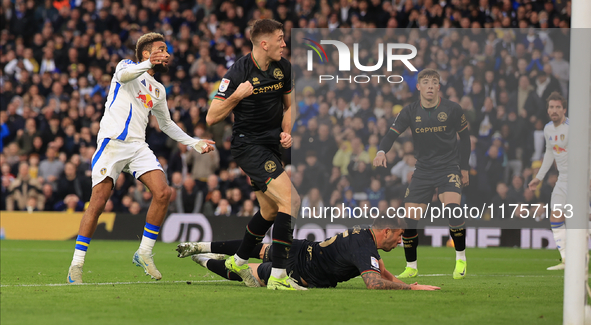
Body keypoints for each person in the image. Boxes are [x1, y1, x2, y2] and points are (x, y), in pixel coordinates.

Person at [67, 33, 215, 284]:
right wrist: (147, 64)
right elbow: (125, 76)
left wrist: (194, 142)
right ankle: (76, 265)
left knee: (164, 192)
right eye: (161, 49)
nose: (166, 54)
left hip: (137, 146)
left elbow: (166, 124)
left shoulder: (158, 89)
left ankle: (144, 252)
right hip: (112, 143)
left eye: (167, 50)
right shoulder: (125, 66)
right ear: (146, 54)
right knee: (99, 202)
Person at [205, 19, 299, 290]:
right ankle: (279, 277)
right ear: (264, 43)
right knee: (292, 201)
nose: (284, 44)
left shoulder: (283, 67)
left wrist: (286, 130)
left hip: (271, 145)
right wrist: (236, 96)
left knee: (270, 210)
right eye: (280, 39)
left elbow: (290, 106)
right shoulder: (237, 73)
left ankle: (237, 259)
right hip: (248, 146)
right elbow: (212, 117)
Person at [373, 69, 470, 280]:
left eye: (434, 82)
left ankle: (461, 259)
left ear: (438, 87)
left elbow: (466, 138)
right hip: (423, 169)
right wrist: (381, 151)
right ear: (418, 87)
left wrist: (464, 168)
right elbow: (391, 134)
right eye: (425, 82)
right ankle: (411, 266)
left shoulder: (452, 109)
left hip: (448, 167)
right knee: (409, 220)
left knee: (453, 210)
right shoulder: (409, 111)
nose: (430, 86)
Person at [176, 216, 440, 291]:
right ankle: (204, 260)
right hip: (301, 272)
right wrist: (413, 290)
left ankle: (203, 248)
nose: (400, 241)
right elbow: (373, 282)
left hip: (302, 249)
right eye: (399, 236)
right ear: (385, 232)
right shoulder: (364, 246)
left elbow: (381, 271)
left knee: (254, 249)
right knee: (248, 275)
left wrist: (409, 283)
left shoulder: (363, 235)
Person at [527, 92, 569, 270]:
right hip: (563, 179)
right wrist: (539, 177)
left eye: (558, 107)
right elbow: (550, 153)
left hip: (580, 177)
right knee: (555, 216)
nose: (554, 110)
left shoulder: (573, 127)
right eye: (551, 107)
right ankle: (567, 259)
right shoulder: (548, 129)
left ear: (564, 109)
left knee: (583, 219)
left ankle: (580, 256)